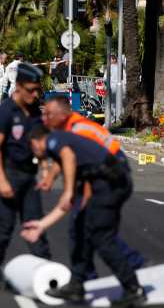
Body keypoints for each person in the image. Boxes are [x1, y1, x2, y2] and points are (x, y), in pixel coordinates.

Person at [23, 127, 146, 307]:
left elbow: (68, 157)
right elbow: (69, 202)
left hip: (112, 184)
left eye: (33, 149)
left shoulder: (55, 140)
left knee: (102, 239)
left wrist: (68, 190)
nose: (37, 155)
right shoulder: (70, 157)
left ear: (36, 141)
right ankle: (77, 286)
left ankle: (133, 288)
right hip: (106, 184)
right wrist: (42, 225)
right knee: (80, 229)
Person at [38, 96, 145, 278]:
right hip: (100, 173)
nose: (44, 119)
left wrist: (78, 195)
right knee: (84, 227)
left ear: (62, 115)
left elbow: (84, 161)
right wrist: (51, 175)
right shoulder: (67, 128)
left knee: (96, 230)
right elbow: (66, 156)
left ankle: (128, 269)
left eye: (48, 114)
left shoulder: (79, 130)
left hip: (110, 174)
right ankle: (84, 277)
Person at [0, 62, 51, 289]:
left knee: (35, 223)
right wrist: (2, 180)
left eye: (37, 90)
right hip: (8, 173)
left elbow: (39, 141)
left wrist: (44, 169)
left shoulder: (34, 111)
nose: (35, 94)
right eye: (31, 90)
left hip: (28, 175)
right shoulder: (5, 111)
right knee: (4, 226)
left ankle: (46, 271)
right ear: (19, 87)